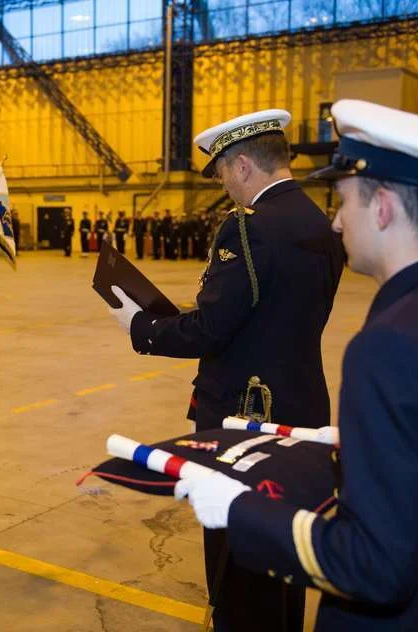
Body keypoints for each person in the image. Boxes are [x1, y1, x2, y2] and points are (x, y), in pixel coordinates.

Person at [176, 99, 418, 632]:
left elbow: (373, 565)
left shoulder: (390, 346)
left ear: (384, 207)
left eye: (344, 201)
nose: (338, 221)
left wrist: (238, 508)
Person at [107, 108, 344, 632]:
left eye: (220, 172)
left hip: (244, 418)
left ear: (241, 166)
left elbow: (211, 329)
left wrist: (140, 327)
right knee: (286, 556)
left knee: (238, 560)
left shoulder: (247, 229)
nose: (223, 186)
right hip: (302, 410)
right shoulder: (318, 223)